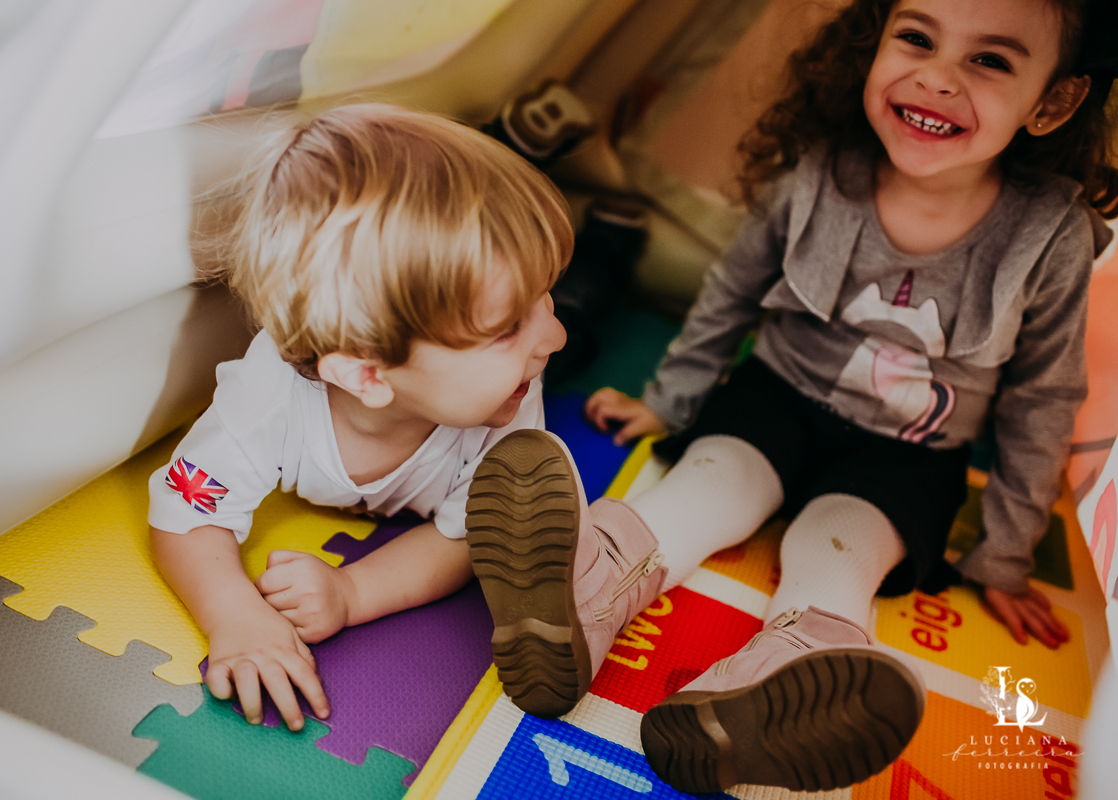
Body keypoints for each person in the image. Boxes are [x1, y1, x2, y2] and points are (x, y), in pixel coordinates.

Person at [470, 0, 1118, 793]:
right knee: (712, 486)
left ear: (1052, 101)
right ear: (873, 44)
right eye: (916, 38)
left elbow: (1042, 396)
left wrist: (1007, 553)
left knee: (840, 543)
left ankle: (775, 685)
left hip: (908, 451)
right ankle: (582, 590)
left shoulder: (1050, 235)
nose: (938, 77)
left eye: (990, 61)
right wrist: (672, 402)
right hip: (779, 392)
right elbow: (731, 293)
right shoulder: (823, 171)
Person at [147, 104, 572, 733]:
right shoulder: (266, 400)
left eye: (546, 296)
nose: (551, 337)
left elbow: (464, 536)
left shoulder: (509, 397)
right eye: (509, 328)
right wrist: (234, 614)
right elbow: (187, 515)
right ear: (368, 375)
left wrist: (353, 593)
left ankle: (602, 253)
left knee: (586, 326)